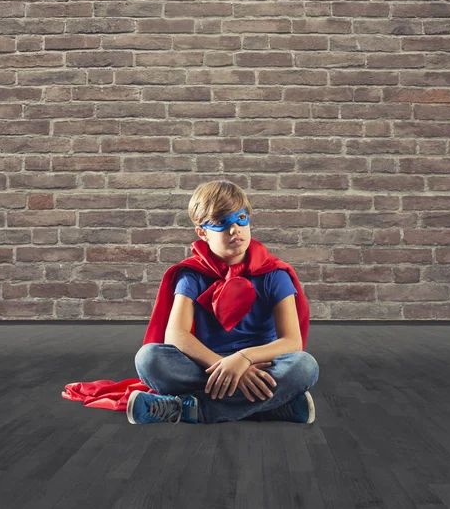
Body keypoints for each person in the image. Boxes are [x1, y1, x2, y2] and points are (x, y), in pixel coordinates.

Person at [128, 180, 320, 424]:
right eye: (221, 223)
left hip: (261, 364)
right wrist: (225, 365)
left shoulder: (274, 274)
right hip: (208, 366)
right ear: (202, 232)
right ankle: (272, 408)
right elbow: (175, 335)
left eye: (241, 218)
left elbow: (292, 341)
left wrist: (243, 359)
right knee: (148, 359)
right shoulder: (193, 275)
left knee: (305, 365)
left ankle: (187, 410)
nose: (235, 230)